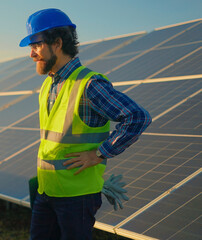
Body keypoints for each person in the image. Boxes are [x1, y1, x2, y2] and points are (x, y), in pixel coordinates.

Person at [19, 9, 152, 239]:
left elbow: (137, 117)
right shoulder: (47, 86)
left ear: (57, 43)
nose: (31, 54)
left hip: (76, 198)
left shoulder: (89, 84)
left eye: (36, 45)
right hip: (46, 191)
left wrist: (99, 154)